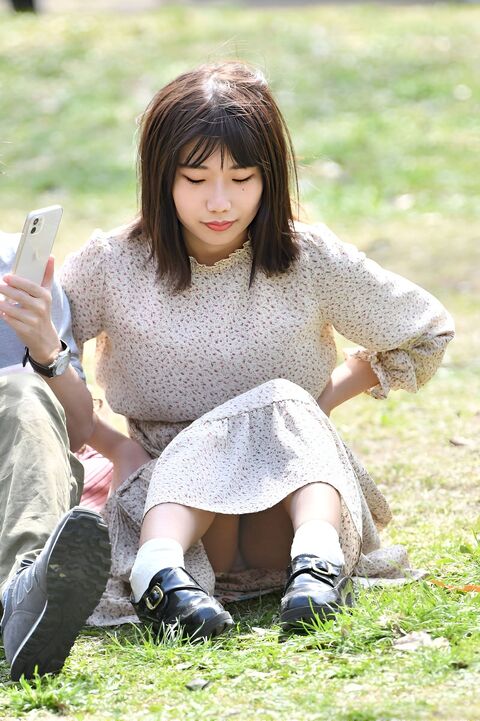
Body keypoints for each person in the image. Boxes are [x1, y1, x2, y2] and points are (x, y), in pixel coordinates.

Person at [59, 61, 454, 641]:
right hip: (181, 512)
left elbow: (425, 329)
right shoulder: (112, 265)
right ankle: (160, 574)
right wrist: (115, 446)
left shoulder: (307, 258)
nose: (220, 202)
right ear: (160, 176)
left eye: (241, 178)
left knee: (280, 403)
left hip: (287, 511)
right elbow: (43, 360)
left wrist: (315, 406)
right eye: (195, 179)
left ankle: (316, 567)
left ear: (269, 176)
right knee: (267, 409)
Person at [0, 231, 111, 680]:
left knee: (25, 391)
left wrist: (46, 347)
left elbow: (79, 430)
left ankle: (23, 590)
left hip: (15, 486)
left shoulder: (18, 267)